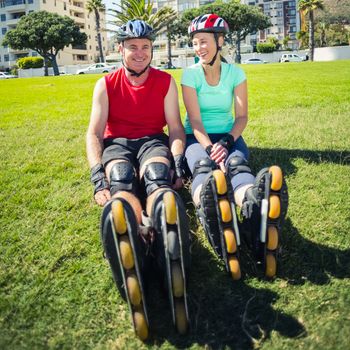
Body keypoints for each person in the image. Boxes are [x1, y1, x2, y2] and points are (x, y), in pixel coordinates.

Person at [86, 19, 190, 340]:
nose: (140, 53)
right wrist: (97, 177)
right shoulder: (105, 84)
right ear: (121, 49)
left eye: (145, 47)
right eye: (133, 47)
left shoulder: (165, 82)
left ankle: (164, 244)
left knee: (158, 177)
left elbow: (174, 128)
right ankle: (134, 243)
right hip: (117, 143)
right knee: (120, 177)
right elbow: (93, 133)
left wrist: (177, 160)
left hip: (152, 141)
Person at [181, 14, 289, 279]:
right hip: (197, 137)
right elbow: (194, 120)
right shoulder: (190, 74)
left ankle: (254, 209)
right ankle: (212, 212)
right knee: (204, 168)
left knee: (237, 165)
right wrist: (210, 148)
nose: (199, 48)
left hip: (229, 134)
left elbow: (242, 117)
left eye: (204, 41)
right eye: (195, 43)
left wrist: (227, 142)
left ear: (220, 41)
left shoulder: (236, 73)